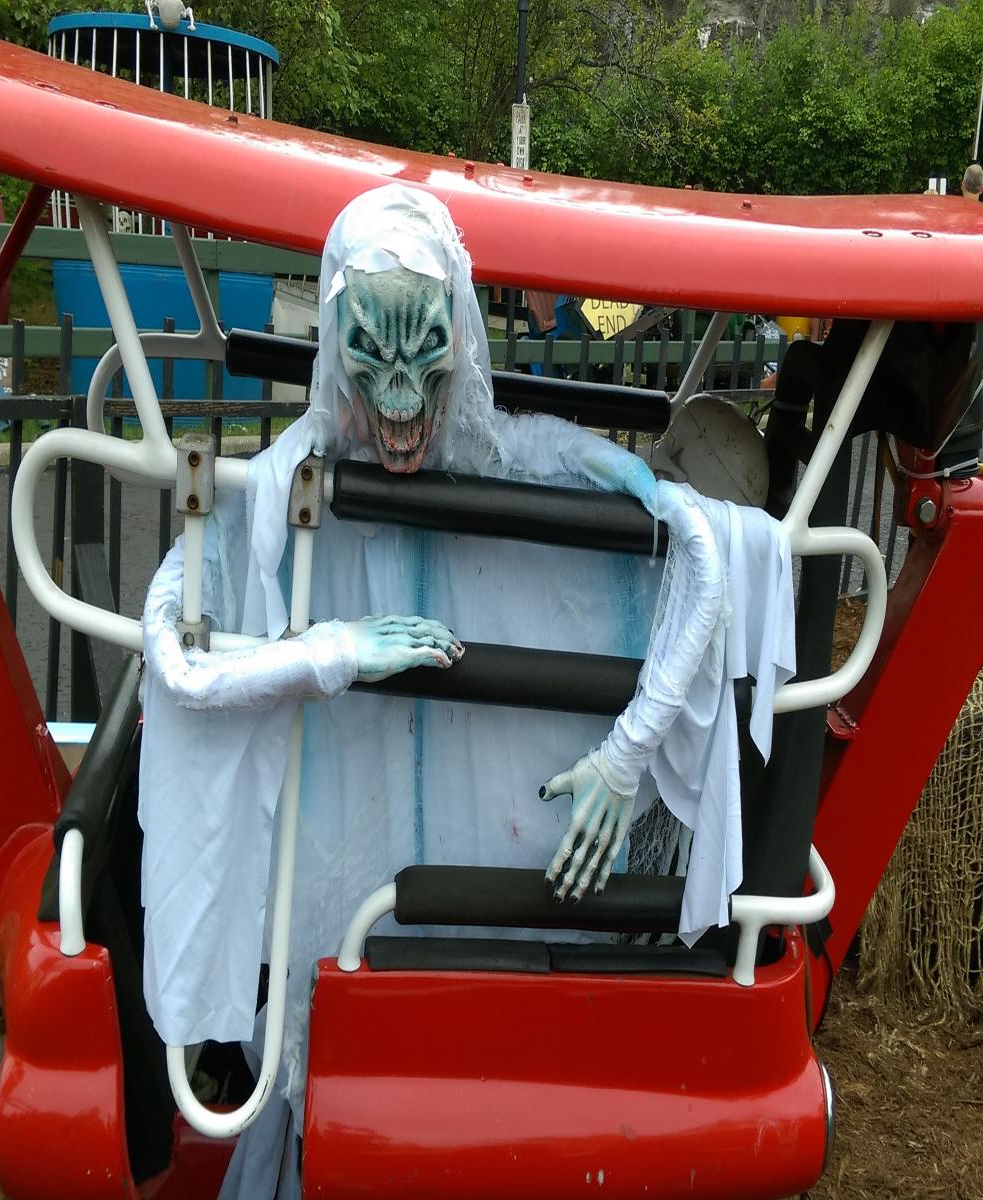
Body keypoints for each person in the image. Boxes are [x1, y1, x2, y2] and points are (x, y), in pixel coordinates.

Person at [139, 185, 794, 1197]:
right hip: (349, 886)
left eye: (425, 355)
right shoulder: (293, 476)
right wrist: (335, 651)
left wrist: (626, 756)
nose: (401, 400)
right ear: (339, 342)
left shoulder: (497, 454)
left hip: (500, 887)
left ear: (460, 340)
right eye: (374, 355)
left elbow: (700, 552)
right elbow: (176, 653)